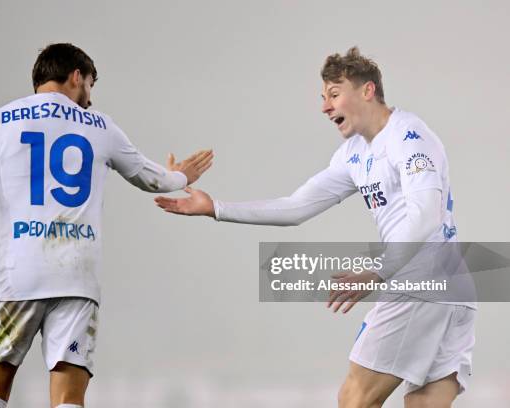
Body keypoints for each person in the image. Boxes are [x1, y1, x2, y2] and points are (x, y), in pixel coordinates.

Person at [154, 47, 475, 408]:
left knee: (354, 398)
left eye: (334, 95)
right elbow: (297, 207)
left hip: (421, 278)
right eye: (323, 97)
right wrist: (216, 208)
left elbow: (426, 215)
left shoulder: (409, 137)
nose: (325, 106)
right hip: (452, 286)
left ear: (367, 91)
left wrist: (379, 272)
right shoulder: (355, 152)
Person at [0, 43, 213, 408]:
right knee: (68, 401)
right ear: (77, 76)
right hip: (77, 279)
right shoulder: (101, 127)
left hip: (15, 275)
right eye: (90, 86)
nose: (90, 99)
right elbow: (152, 180)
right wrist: (180, 175)